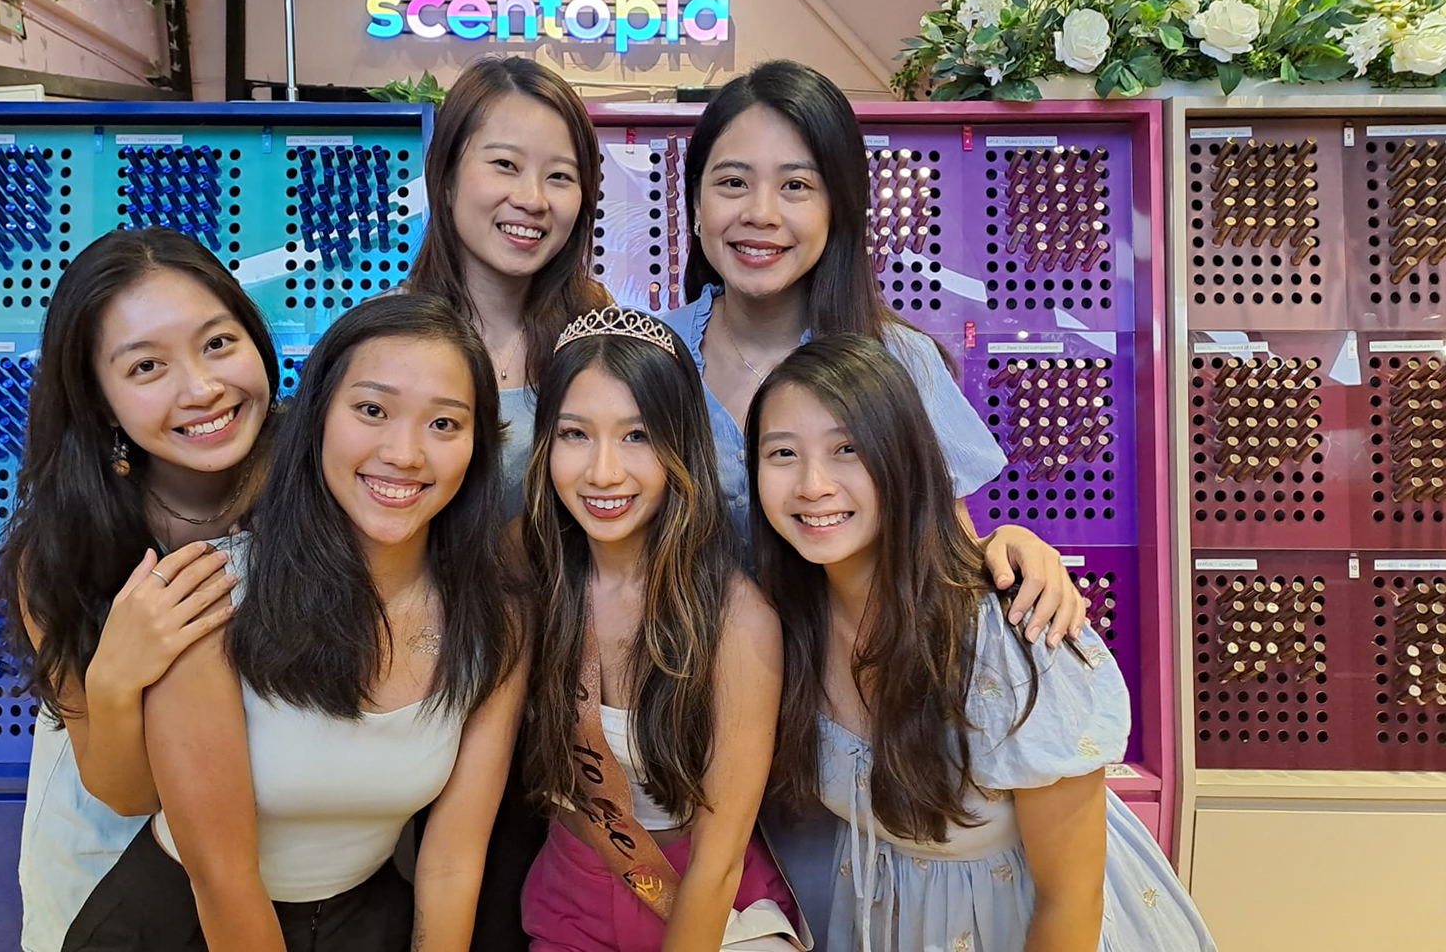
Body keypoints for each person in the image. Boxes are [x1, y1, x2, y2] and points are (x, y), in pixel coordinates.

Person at [61, 294, 527, 951]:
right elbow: (223, 878)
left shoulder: (496, 618)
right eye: (372, 410)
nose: (405, 453)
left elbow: (452, 861)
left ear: (478, 445)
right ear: (317, 421)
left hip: (362, 919)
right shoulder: (212, 592)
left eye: (445, 424)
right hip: (187, 921)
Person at [748, 335, 1217, 952]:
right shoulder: (781, 624)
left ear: (904, 461)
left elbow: (1070, 898)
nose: (812, 484)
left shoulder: (1010, 634)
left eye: (847, 449)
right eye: (783, 452)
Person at [661, 59, 1083, 644]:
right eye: (732, 182)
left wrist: (1009, 547)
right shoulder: (646, 354)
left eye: (796, 186)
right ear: (696, 203)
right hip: (677, 699)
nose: (760, 212)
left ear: (840, 208)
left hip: (852, 701)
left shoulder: (899, 360)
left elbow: (943, 553)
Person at [0, 227, 279, 952]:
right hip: (116, 877)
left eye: (218, 343)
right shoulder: (63, 549)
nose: (203, 388)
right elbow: (123, 792)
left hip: (294, 876)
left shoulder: (323, 477)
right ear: (99, 399)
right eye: (147, 366)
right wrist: (119, 674)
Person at [519, 306, 806, 951]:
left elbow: (719, 857)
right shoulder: (531, 579)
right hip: (572, 898)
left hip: (713, 903)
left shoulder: (736, 619)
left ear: (681, 446)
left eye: (637, 435)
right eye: (574, 434)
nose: (603, 473)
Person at [406, 54, 611, 519]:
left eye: (559, 176)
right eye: (504, 164)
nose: (532, 199)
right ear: (446, 175)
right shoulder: (384, 337)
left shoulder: (598, 337)